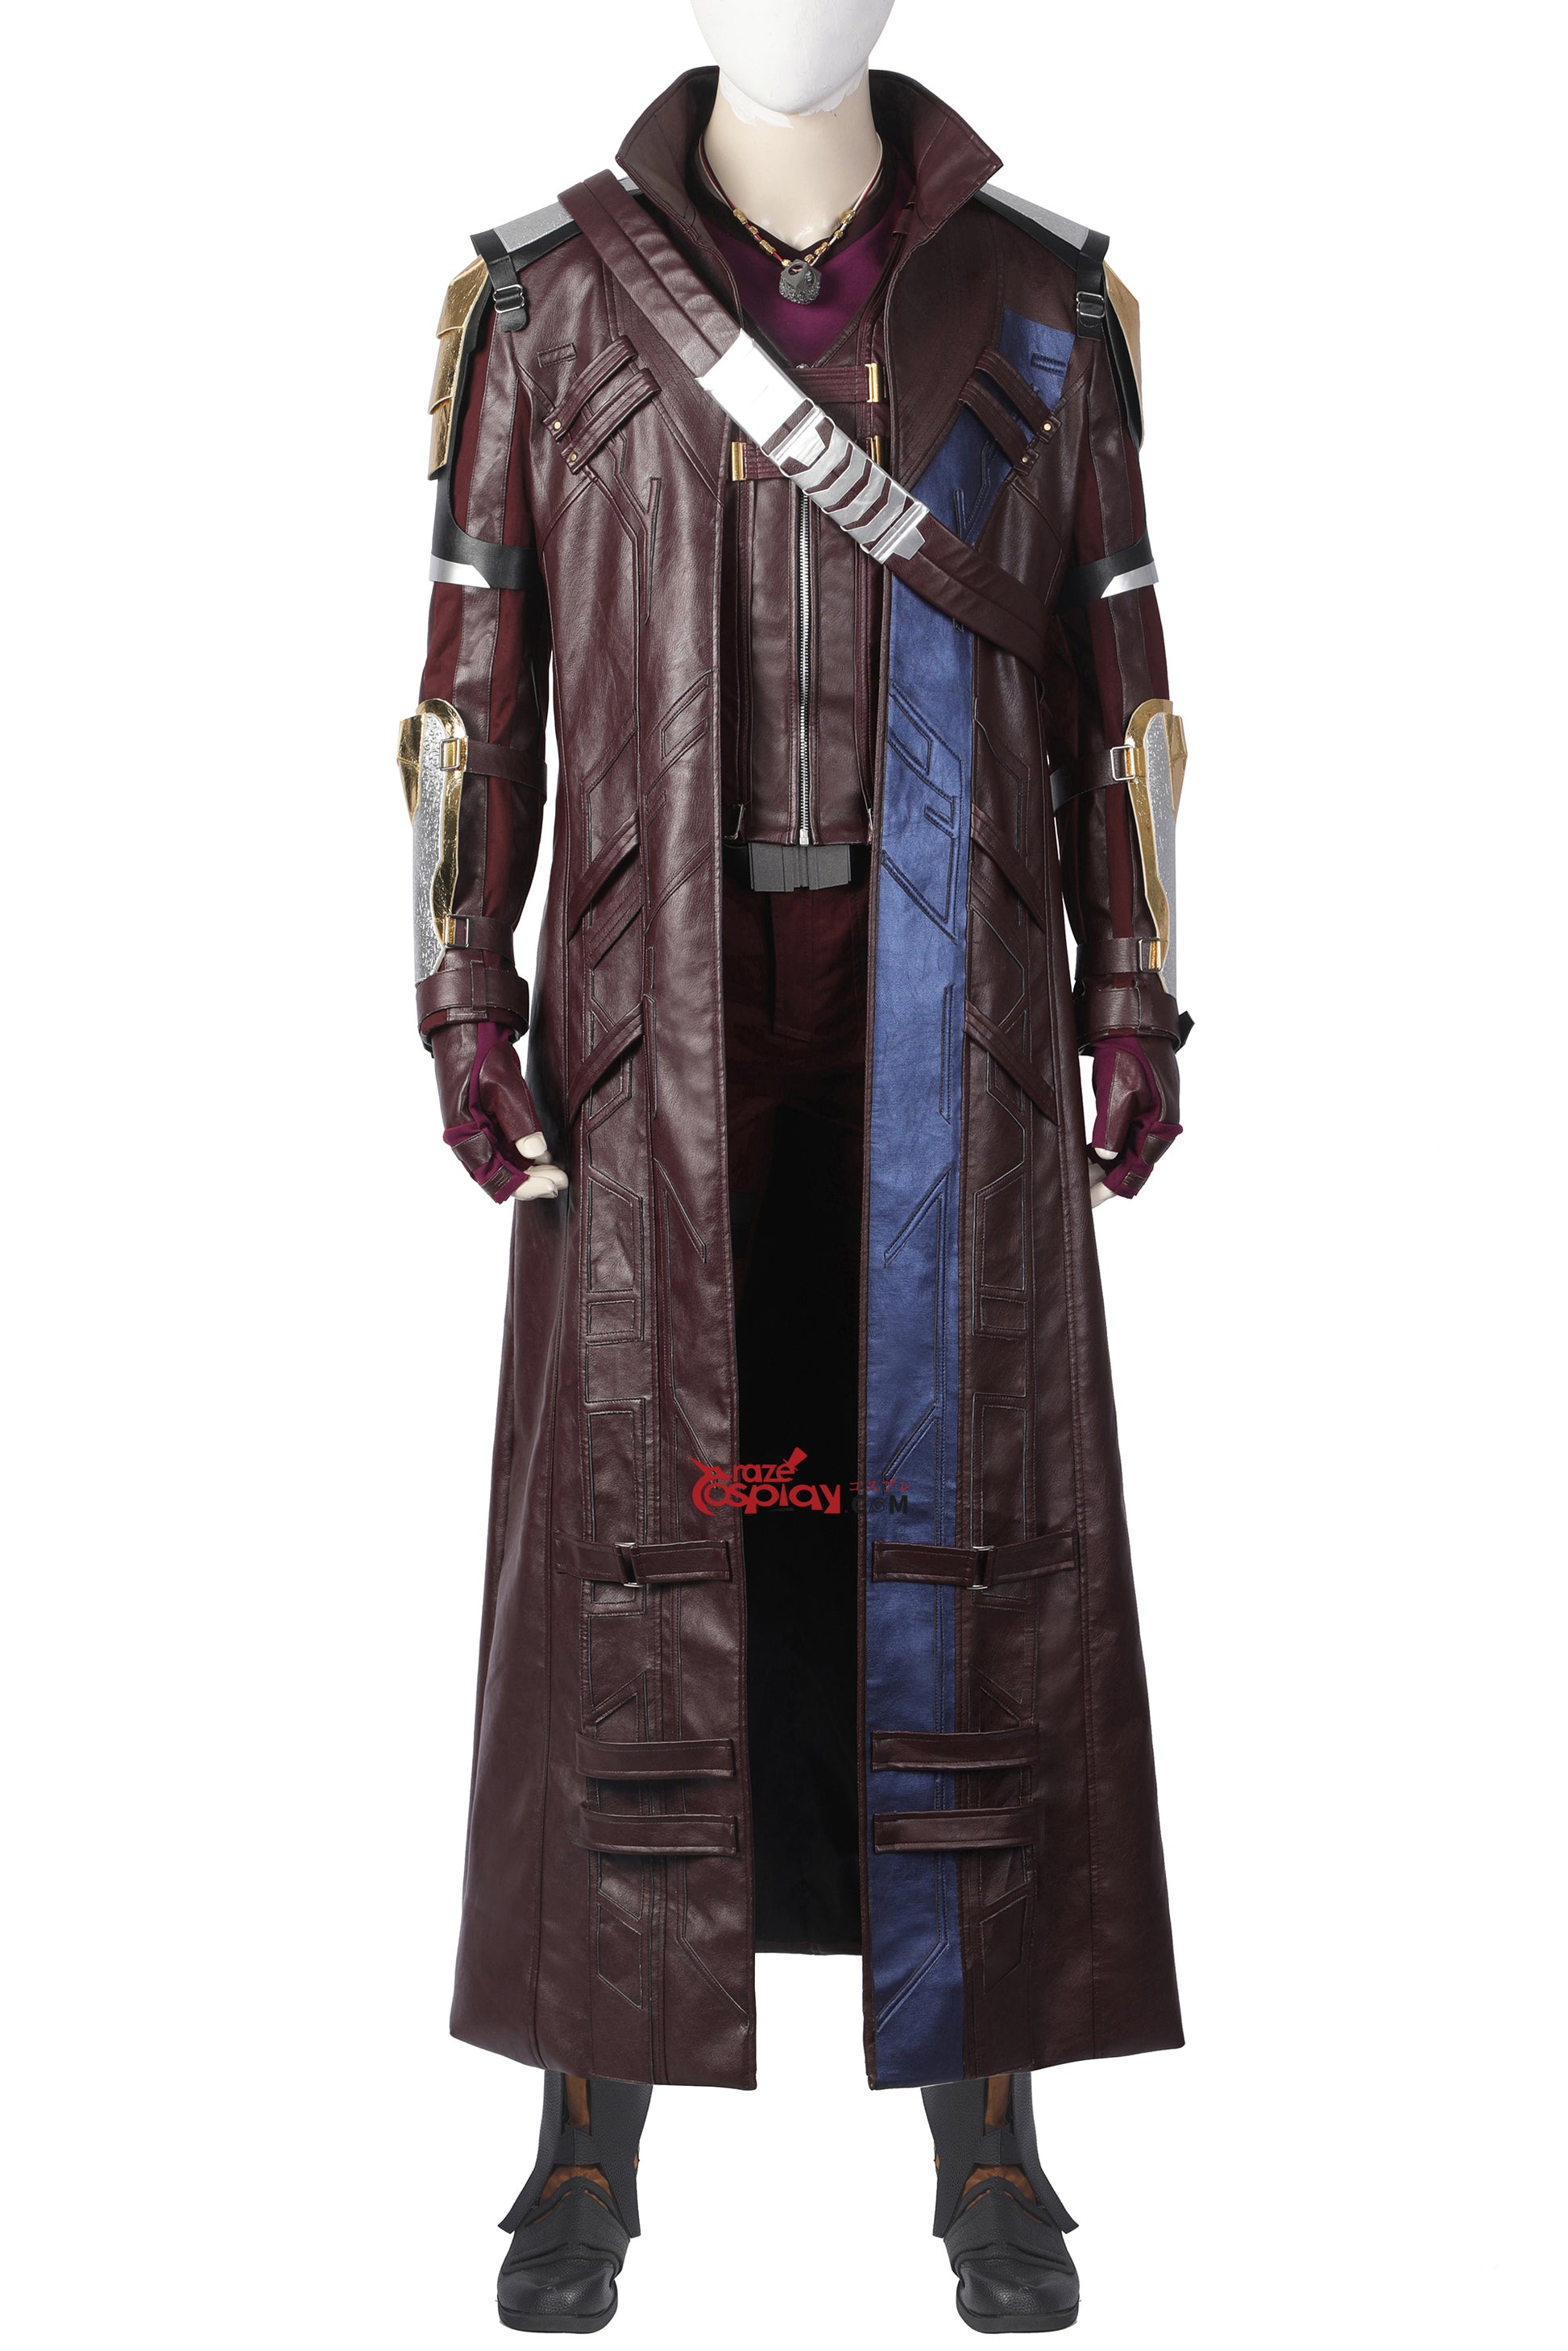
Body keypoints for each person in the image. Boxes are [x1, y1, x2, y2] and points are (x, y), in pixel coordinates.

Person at [400, 4, 1188, 2330]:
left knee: (968, 1524)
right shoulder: (547, 302)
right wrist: (463, 990)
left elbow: (1120, 681)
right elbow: (473, 697)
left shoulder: (1042, 303)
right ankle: (584, 2129)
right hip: (649, 1024)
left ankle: (991, 2134)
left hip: (961, 1006)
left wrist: (1133, 987)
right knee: (639, 1540)